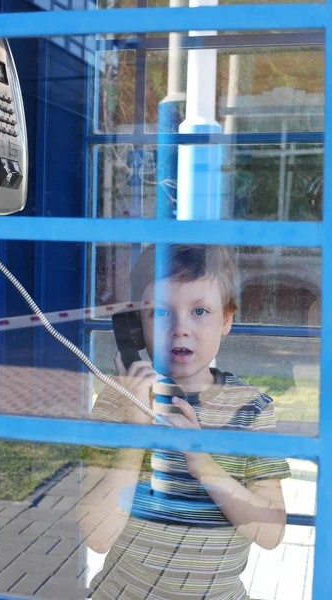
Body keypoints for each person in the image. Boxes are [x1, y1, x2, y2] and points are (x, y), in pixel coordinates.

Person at [78, 244, 290, 600]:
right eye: (160, 312)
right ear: (133, 326)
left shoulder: (249, 409)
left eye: (200, 311)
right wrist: (136, 429)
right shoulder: (118, 401)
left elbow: (271, 534)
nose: (180, 329)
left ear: (227, 319)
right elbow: (97, 538)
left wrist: (201, 462)